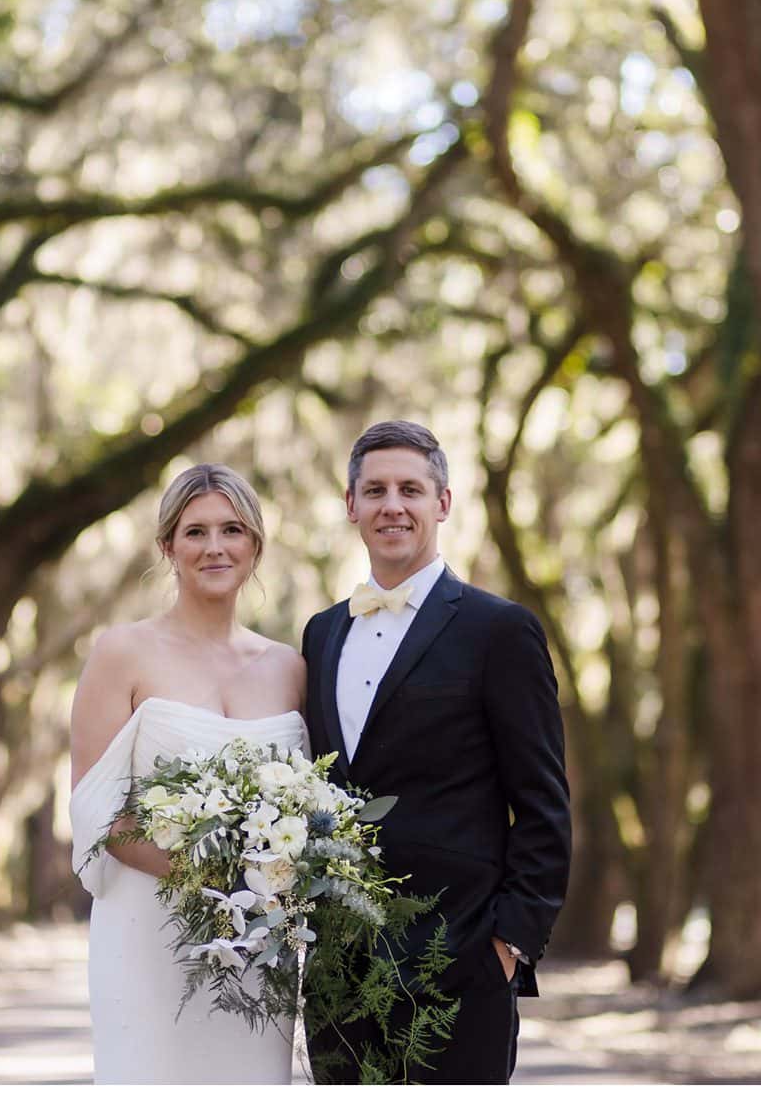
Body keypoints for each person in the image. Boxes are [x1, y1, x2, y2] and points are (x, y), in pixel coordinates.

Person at [302, 420, 571, 1085]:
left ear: (442, 503)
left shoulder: (499, 629)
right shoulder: (320, 634)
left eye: (411, 489)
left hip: (459, 968)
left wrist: (508, 947)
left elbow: (543, 805)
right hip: (338, 977)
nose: (393, 504)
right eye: (376, 489)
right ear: (351, 504)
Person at [68, 464, 308, 1084]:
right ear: (167, 547)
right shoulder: (121, 653)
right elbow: (98, 815)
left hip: (257, 950)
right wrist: (214, 879)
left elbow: (310, 807)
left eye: (232, 529)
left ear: (255, 545)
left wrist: (265, 886)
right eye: (195, 531)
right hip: (149, 932)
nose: (215, 546)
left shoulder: (288, 667)